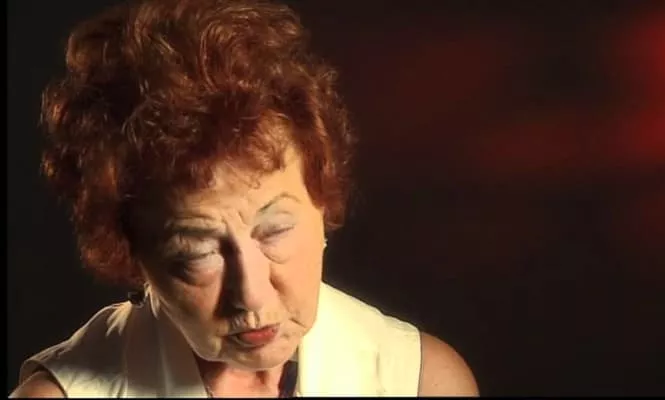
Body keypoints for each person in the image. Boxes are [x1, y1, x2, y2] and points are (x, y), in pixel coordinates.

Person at [10, 0, 479, 397]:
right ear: (135, 258)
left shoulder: (421, 383)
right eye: (197, 252)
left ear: (322, 201)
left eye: (275, 230)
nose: (250, 294)